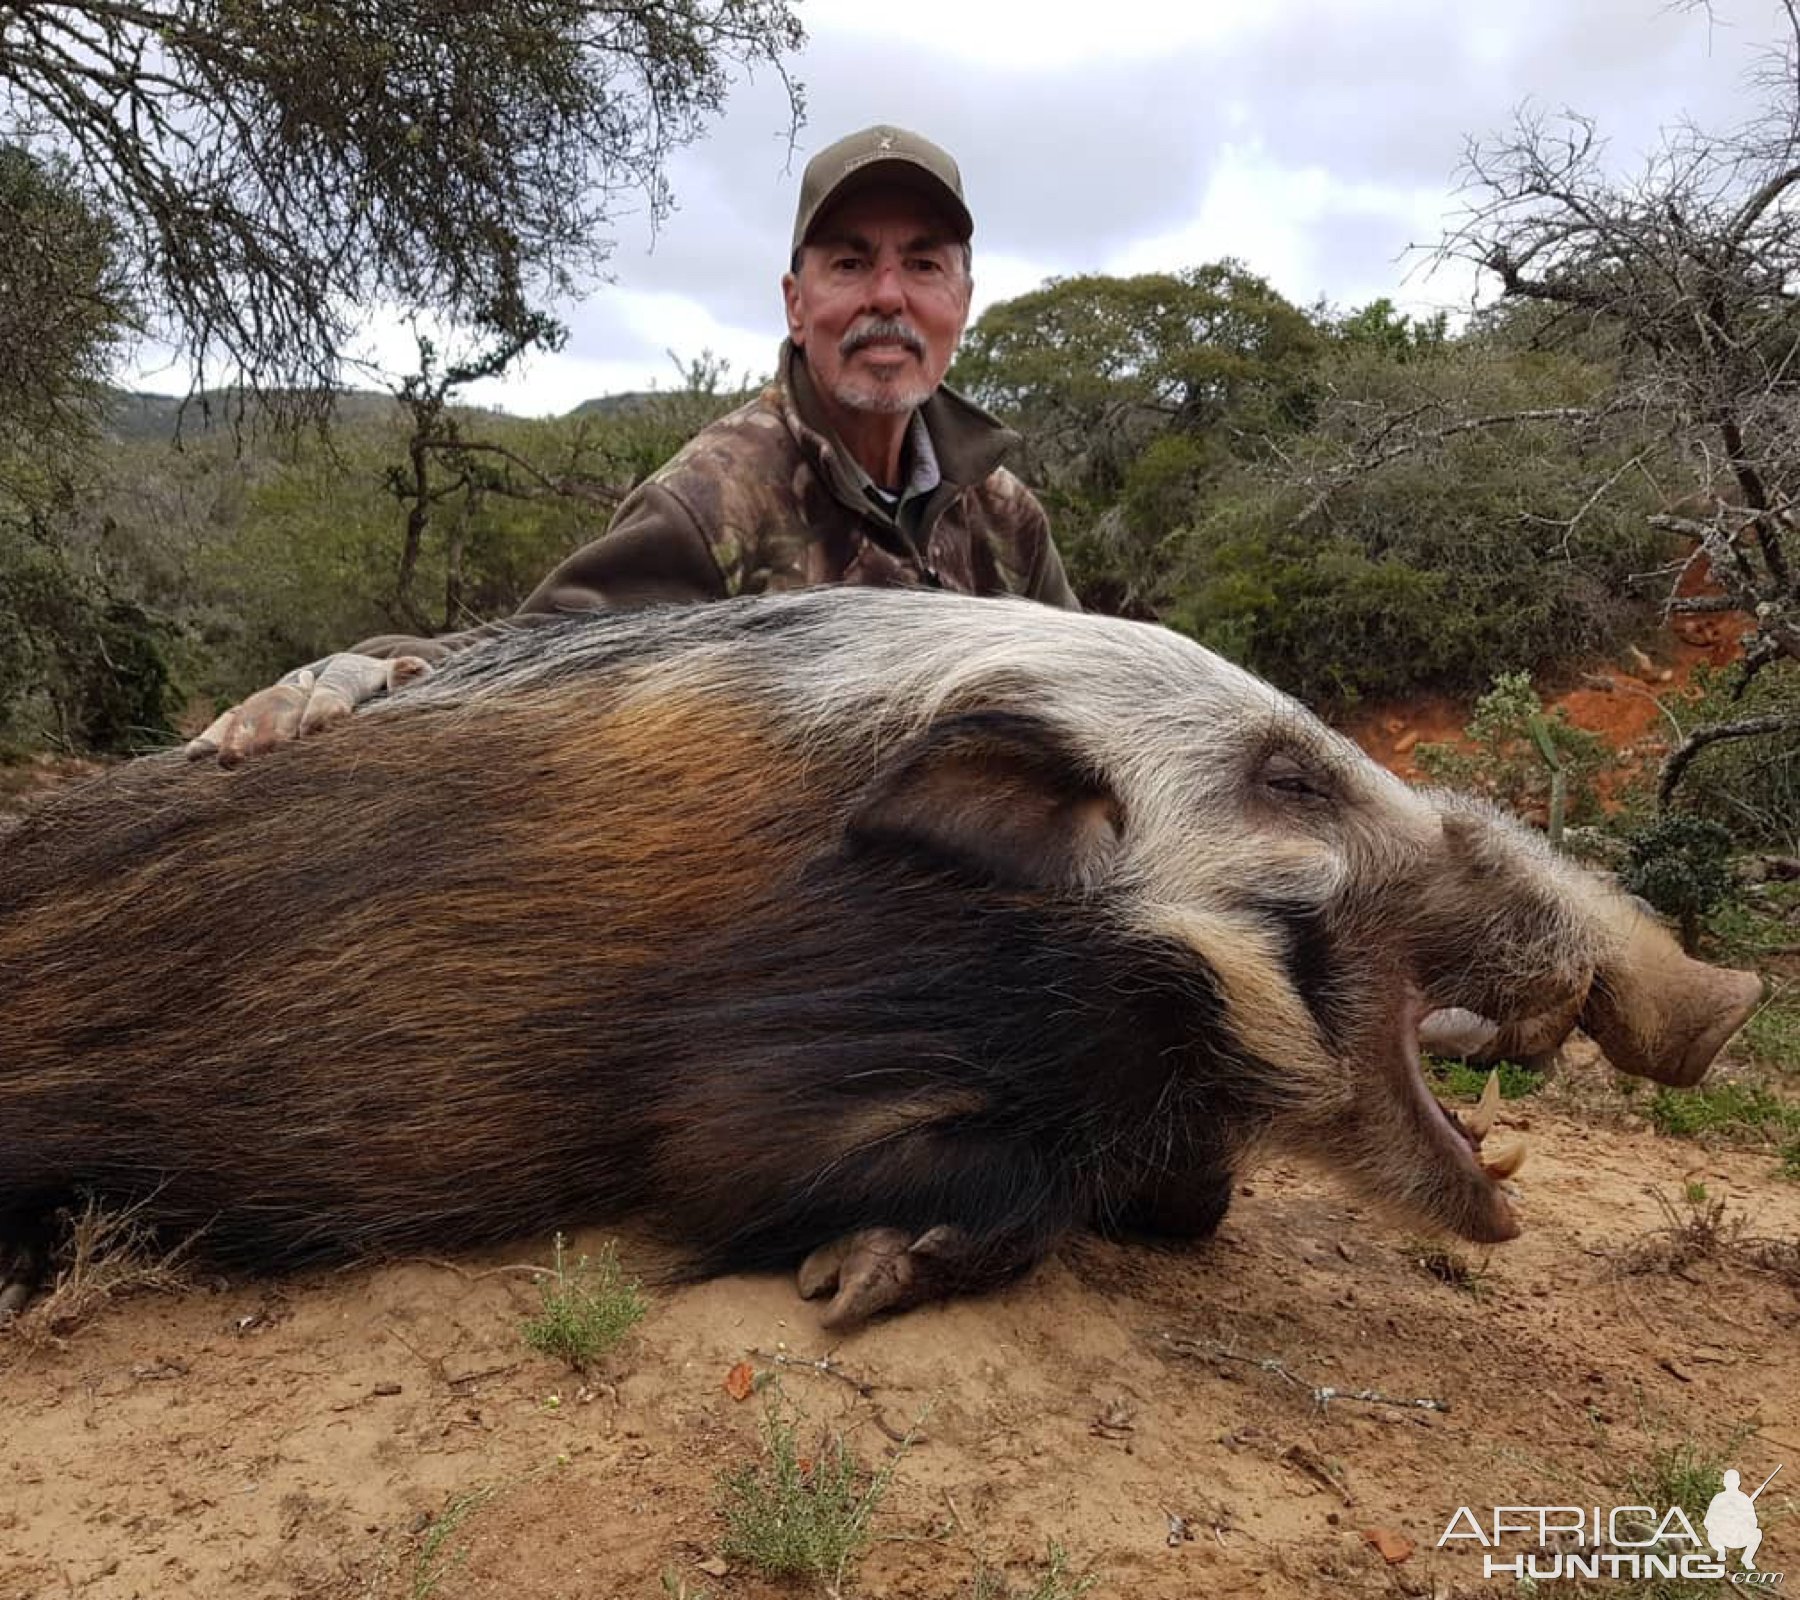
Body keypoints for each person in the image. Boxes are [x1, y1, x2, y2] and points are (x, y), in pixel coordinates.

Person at [189, 124, 1079, 765]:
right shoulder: (714, 504)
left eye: (923, 264)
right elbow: (539, 657)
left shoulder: (1004, 518)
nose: (888, 294)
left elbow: (1091, 694)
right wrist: (372, 672)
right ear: (796, 303)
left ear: (961, 300)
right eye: (849, 263)